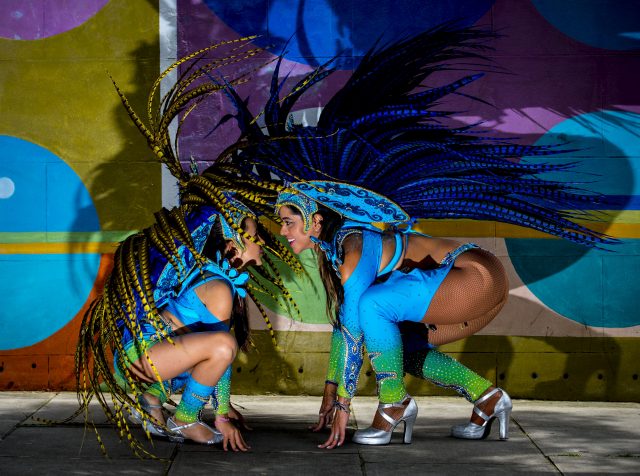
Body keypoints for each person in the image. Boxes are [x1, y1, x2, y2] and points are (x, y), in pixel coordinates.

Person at [276, 192, 511, 447]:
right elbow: (343, 327)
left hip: (476, 277)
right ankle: (488, 397)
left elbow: (353, 332)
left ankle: (393, 402)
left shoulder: (354, 244)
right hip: (476, 287)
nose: (281, 230)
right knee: (401, 349)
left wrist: (343, 404)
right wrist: (330, 392)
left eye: (288, 222)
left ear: (316, 221)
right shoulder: (338, 248)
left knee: (372, 304)